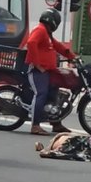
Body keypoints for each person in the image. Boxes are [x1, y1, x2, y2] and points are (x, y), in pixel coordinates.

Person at [25, 8, 76, 136]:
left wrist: (72, 56)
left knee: (54, 95)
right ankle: (35, 125)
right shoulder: (40, 30)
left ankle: (56, 123)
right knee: (41, 93)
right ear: (53, 21)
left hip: (48, 71)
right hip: (38, 71)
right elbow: (31, 42)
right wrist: (37, 64)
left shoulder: (47, 34)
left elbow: (58, 46)